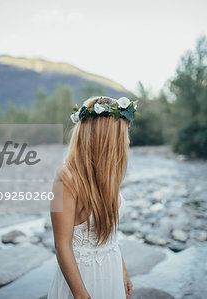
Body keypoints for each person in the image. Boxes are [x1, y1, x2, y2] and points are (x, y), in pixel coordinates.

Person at [47, 96, 137, 299]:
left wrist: (122, 272)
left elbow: (110, 237)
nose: (128, 140)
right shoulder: (67, 177)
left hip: (111, 272)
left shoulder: (107, 174)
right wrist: (82, 296)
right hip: (83, 281)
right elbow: (62, 246)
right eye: (124, 134)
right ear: (106, 137)